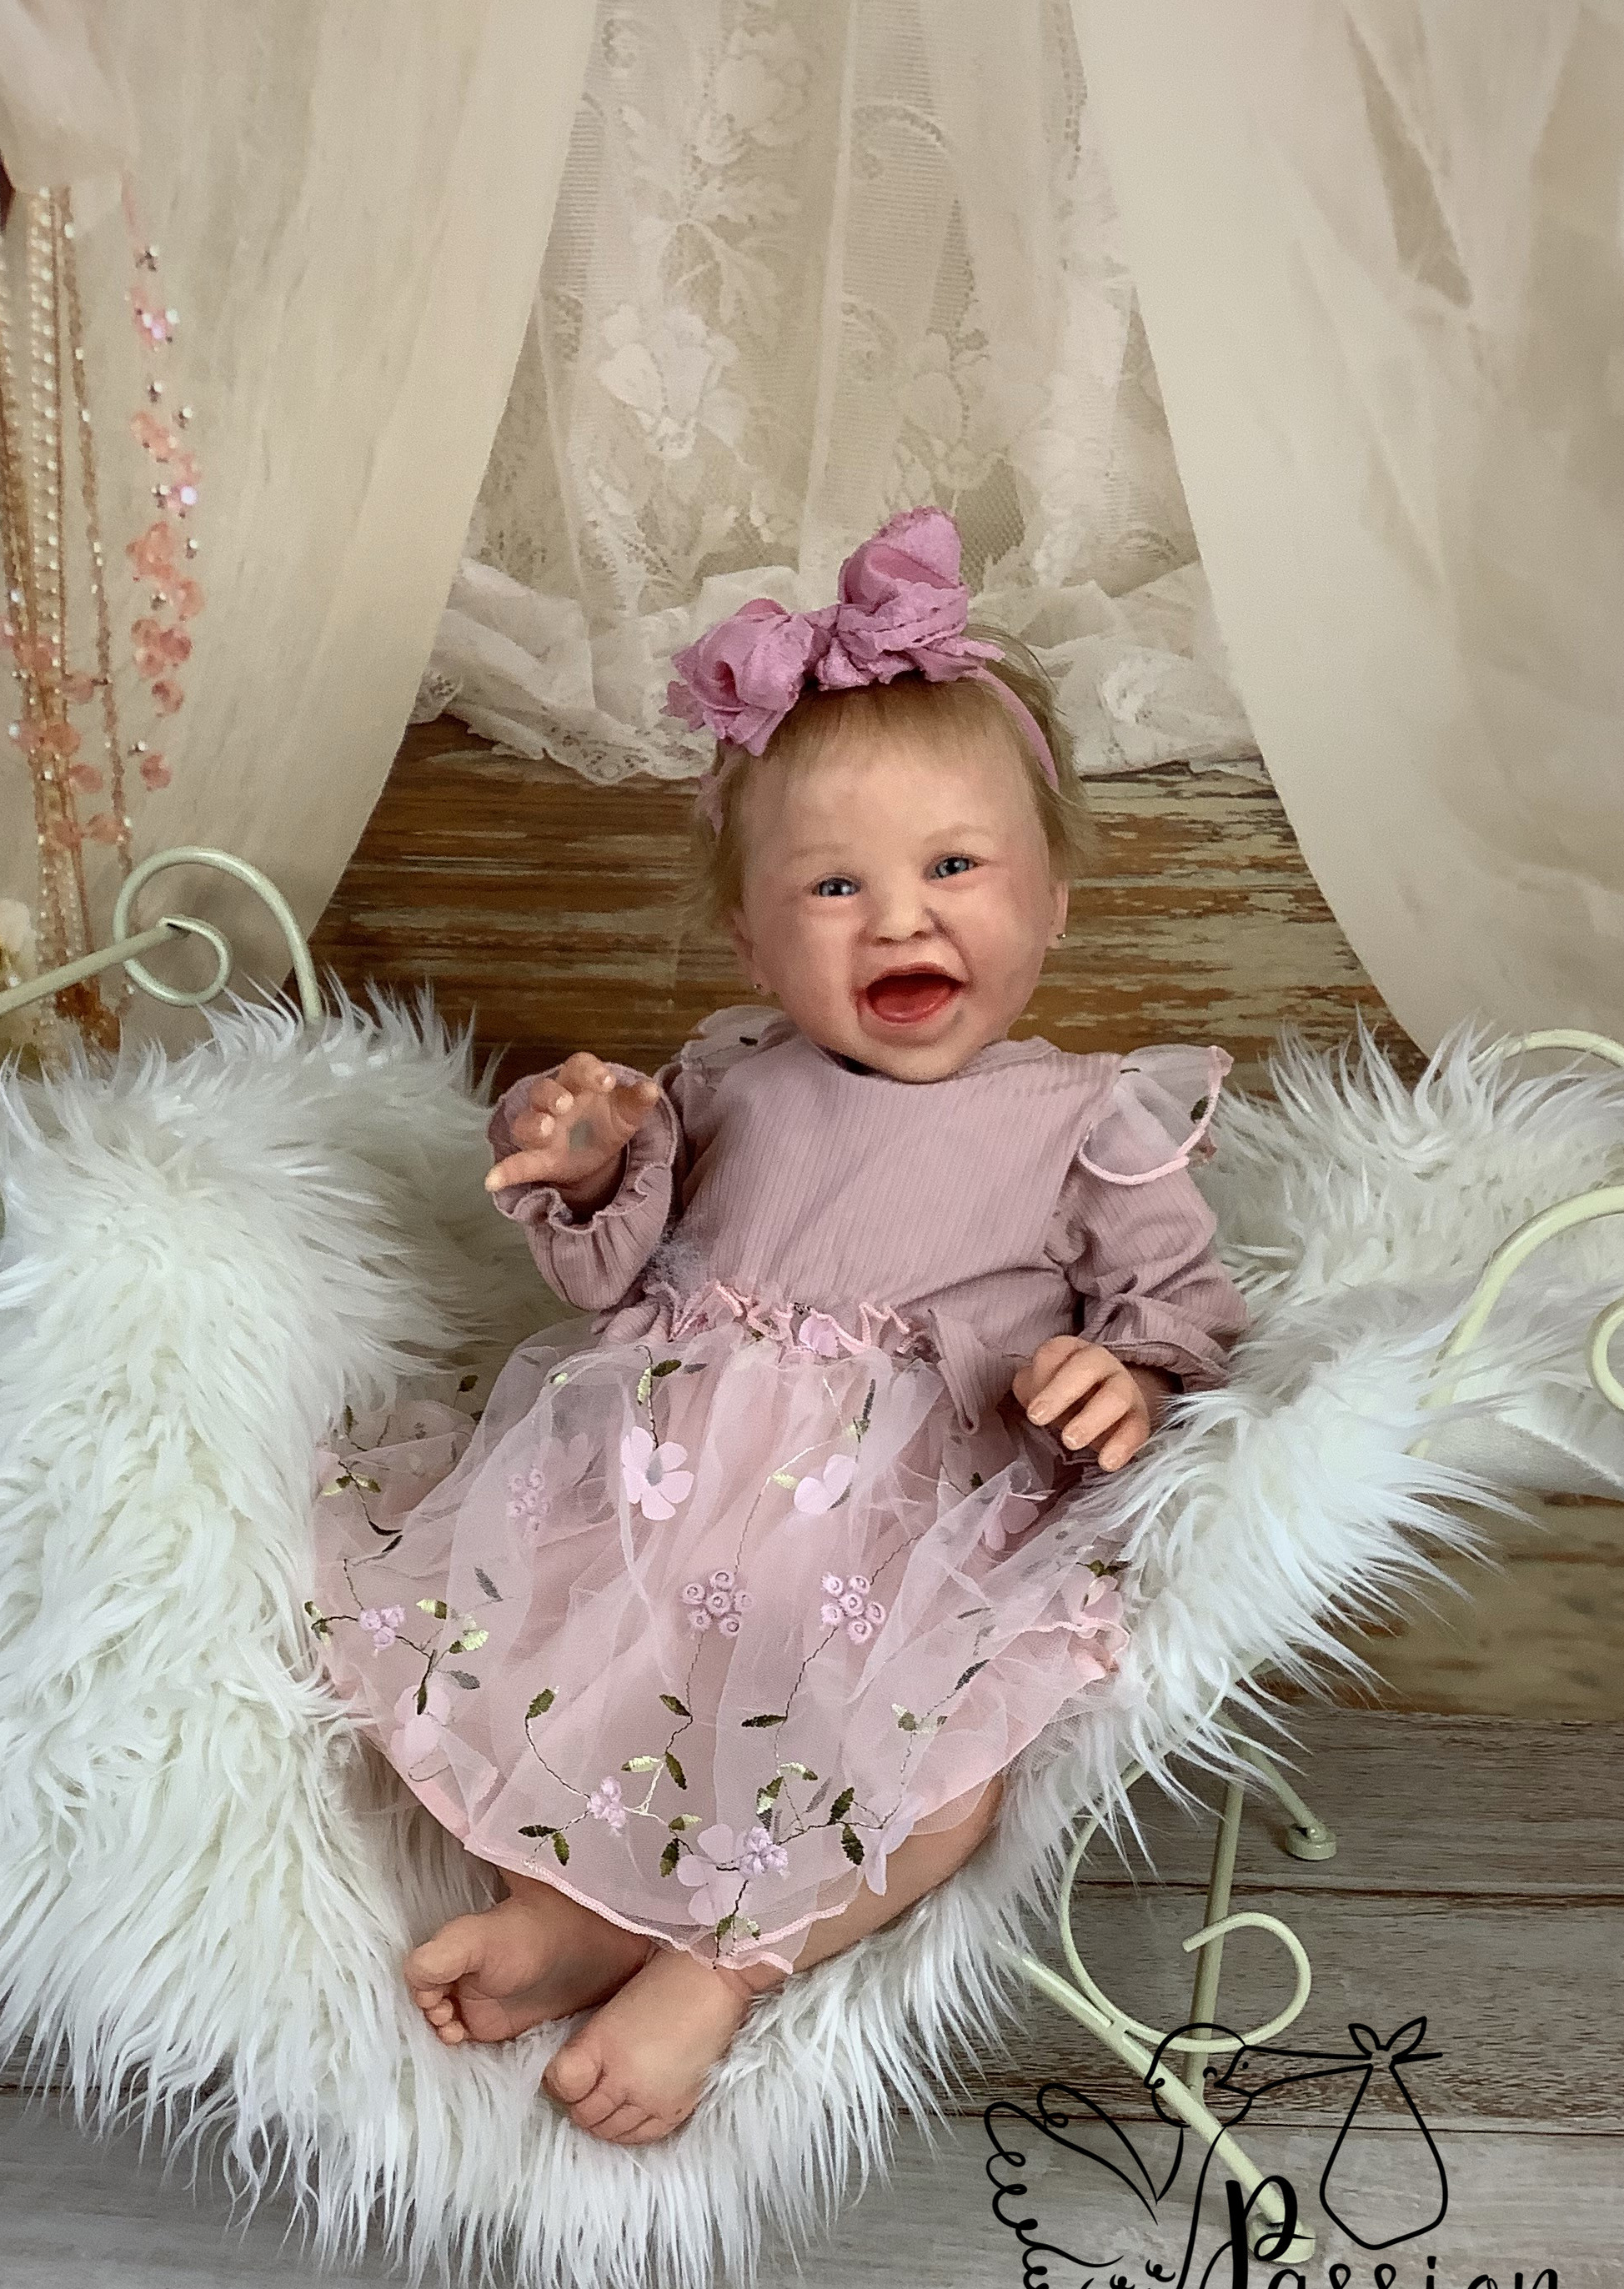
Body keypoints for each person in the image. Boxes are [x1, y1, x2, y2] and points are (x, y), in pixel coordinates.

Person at [312, 507, 1248, 2148]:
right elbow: (605, 1281)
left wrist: (1127, 1374)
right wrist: (587, 1161)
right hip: (653, 1493)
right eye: (833, 883)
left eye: (954, 867)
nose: (899, 919)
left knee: (934, 1789)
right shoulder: (727, 1073)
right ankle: (577, 1918)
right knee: (590, 1687)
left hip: (893, 1539)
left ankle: (719, 1970)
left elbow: (1179, 1311)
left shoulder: (1090, 1120)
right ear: (752, 936)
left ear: (1053, 902)